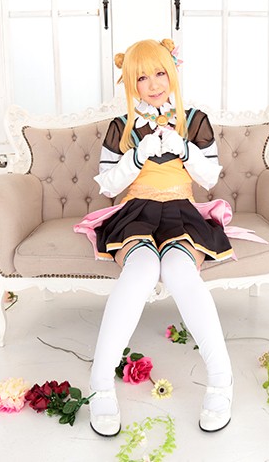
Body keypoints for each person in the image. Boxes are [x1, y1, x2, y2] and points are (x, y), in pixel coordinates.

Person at [76, 38, 234, 437]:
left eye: (160, 73)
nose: (153, 84)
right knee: (142, 269)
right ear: (130, 83)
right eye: (141, 77)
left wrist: (184, 149)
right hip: (137, 210)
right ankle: (100, 385)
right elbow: (108, 184)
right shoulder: (121, 126)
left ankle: (221, 381)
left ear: (173, 72)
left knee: (180, 271)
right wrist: (137, 155)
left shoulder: (194, 119)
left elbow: (209, 178)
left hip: (182, 209)